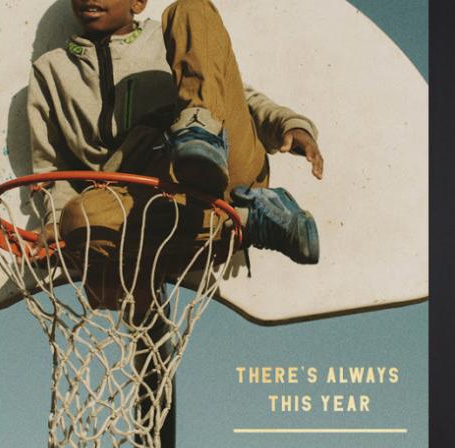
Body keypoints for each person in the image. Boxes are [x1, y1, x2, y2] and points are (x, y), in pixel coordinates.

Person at [28, 0, 323, 269]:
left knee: (191, 7)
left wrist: (289, 125)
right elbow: (53, 167)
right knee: (79, 222)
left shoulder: (168, 38)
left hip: (228, 164)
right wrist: (57, 220)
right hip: (151, 197)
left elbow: (239, 96)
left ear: (138, 3)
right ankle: (253, 223)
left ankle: (200, 138)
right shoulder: (50, 69)